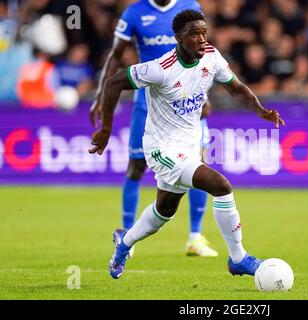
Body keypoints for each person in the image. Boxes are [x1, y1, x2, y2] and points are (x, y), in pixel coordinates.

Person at [89, 9, 284, 279]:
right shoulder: (160, 69)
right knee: (221, 186)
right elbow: (114, 82)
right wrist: (106, 130)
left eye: (204, 31)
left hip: (188, 146)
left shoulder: (212, 57)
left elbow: (236, 87)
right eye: (194, 34)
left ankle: (124, 243)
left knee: (163, 211)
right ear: (179, 38)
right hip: (162, 150)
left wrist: (261, 110)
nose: (202, 38)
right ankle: (238, 258)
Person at [89, 0, 218, 257]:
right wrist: (100, 95)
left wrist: (205, 95)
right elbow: (115, 56)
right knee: (136, 167)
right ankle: (127, 236)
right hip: (148, 100)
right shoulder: (134, 13)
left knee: (200, 164)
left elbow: (204, 52)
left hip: (187, 99)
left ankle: (195, 237)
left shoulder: (189, 6)